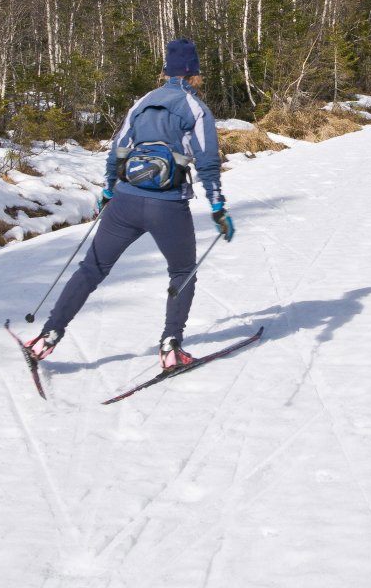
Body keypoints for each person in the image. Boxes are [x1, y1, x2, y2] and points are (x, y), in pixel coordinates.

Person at [25, 38, 234, 369]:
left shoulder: (143, 102)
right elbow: (207, 161)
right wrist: (218, 207)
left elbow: (118, 150)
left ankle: (47, 336)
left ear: (166, 71)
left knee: (92, 268)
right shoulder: (196, 109)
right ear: (194, 73)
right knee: (182, 272)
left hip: (126, 200)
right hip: (168, 206)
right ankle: (171, 346)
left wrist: (109, 190)